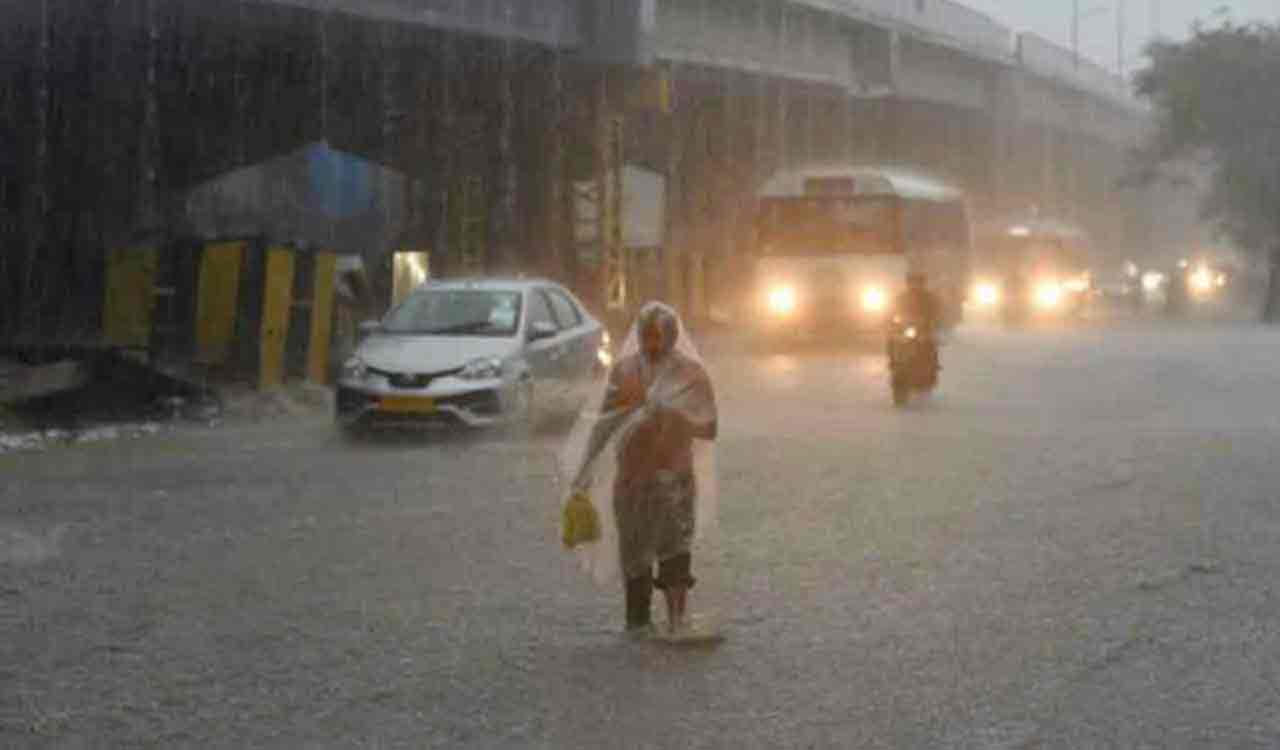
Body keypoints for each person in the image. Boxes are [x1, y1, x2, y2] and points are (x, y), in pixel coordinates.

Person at [561, 302, 719, 636]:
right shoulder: (624, 372)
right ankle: (637, 623)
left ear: (673, 337)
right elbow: (603, 424)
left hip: (675, 476)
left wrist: (671, 414)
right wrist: (584, 471)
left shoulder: (691, 375)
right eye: (646, 336)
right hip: (632, 479)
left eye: (658, 336)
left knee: (676, 548)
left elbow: (709, 428)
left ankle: (677, 622)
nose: (651, 344)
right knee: (634, 551)